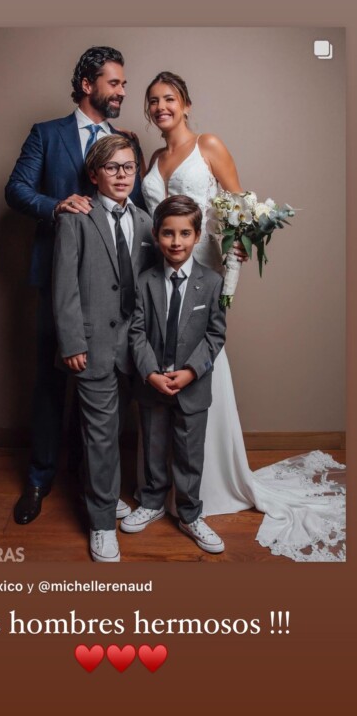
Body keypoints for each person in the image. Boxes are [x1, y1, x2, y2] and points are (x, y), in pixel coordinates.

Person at [139, 71, 346, 562]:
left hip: (203, 277)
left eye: (170, 98)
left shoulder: (208, 145)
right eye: (153, 101)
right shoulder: (152, 160)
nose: (161, 107)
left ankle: (206, 489)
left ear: (186, 103)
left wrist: (236, 254)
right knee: (159, 379)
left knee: (201, 372)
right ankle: (158, 491)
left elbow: (240, 209)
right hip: (158, 278)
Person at [5, 46, 144, 526]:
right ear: (88, 85)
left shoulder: (124, 142)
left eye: (123, 84)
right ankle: (39, 479)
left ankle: (89, 480)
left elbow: (139, 210)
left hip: (113, 288)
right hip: (59, 280)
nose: (122, 91)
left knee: (108, 382)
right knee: (51, 382)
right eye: (114, 83)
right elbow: (16, 190)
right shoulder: (47, 134)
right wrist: (57, 205)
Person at [53, 135, 156, 561]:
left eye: (129, 167)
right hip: (91, 345)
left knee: (114, 431)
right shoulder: (76, 218)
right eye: (112, 167)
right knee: (99, 436)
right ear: (94, 174)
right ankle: (100, 523)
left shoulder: (146, 222)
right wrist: (72, 341)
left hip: (133, 348)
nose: (122, 175)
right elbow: (65, 285)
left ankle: (105, 493)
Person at [123, 196, 226, 553]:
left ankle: (189, 513)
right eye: (168, 233)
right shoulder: (144, 281)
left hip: (192, 386)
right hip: (152, 383)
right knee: (152, 447)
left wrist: (190, 372)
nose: (176, 242)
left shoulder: (212, 282)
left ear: (197, 236)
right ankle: (151, 502)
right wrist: (150, 373)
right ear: (156, 235)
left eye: (185, 233)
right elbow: (136, 332)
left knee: (189, 454)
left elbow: (215, 335)